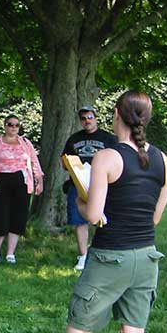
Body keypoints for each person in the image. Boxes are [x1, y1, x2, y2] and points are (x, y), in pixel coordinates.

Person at [24, 91, 167, 333]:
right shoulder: (163, 161)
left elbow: (93, 217)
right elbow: (154, 216)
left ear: (117, 114)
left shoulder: (107, 157)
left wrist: (80, 195)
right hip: (146, 258)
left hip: (110, 258)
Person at [0, 115, 43, 264]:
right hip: (1, 180)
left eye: (16, 125)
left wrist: (39, 181)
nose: (13, 127)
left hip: (21, 181)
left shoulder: (25, 143)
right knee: (0, 215)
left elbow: (34, 163)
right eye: (10, 124)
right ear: (4, 126)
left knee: (18, 216)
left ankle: (10, 253)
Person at [62, 106, 117, 270]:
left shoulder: (109, 139)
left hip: (103, 184)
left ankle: (106, 252)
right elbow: (64, 161)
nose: (87, 121)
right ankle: (83, 256)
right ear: (81, 121)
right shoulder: (73, 139)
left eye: (90, 117)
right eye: (84, 118)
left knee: (105, 218)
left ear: (96, 118)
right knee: (80, 220)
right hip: (78, 184)